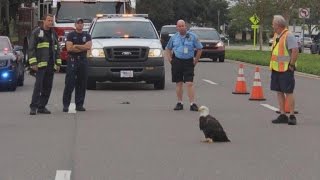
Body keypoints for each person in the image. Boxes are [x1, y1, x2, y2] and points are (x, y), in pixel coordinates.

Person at [165, 19, 203, 111]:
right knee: (179, 83)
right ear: (177, 28)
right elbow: (168, 48)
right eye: (179, 26)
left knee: (189, 83)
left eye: (183, 26)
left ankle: (192, 103)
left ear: (186, 27)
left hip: (188, 62)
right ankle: (179, 103)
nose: (182, 28)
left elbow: (199, 49)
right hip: (177, 61)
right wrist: (171, 60)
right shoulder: (174, 37)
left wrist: (195, 61)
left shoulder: (192, 36)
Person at [28, 14, 61, 115]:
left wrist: (58, 63)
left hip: (50, 65)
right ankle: (33, 107)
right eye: (49, 20)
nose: (51, 22)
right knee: (38, 86)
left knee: (48, 87)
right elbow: (31, 48)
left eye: (52, 21)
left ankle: (42, 107)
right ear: (44, 21)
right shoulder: (37, 32)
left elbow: (57, 49)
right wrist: (33, 63)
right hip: (40, 65)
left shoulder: (53, 33)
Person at [270, 15, 299, 125]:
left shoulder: (288, 35)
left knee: (288, 92)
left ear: (278, 24)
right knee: (279, 91)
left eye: (273, 23)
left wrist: (291, 65)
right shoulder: (277, 35)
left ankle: (291, 115)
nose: (272, 25)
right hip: (276, 68)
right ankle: (282, 114)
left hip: (286, 69)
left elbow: (295, 51)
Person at [62, 18, 92, 112]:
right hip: (72, 60)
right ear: (75, 25)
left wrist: (77, 46)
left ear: (83, 25)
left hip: (83, 61)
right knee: (69, 83)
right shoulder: (71, 35)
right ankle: (66, 105)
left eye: (81, 23)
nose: (80, 25)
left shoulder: (87, 35)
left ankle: (79, 105)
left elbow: (88, 46)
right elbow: (69, 48)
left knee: (82, 83)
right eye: (78, 23)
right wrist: (82, 48)